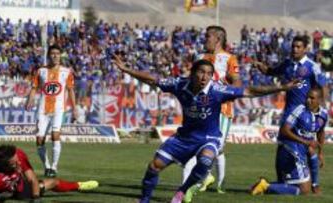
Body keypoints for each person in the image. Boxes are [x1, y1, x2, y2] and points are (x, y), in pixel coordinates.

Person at [113, 54, 299, 203]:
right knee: (154, 166)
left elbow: (250, 91)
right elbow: (154, 80)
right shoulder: (180, 84)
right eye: (201, 72)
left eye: (208, 74)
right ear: (193, 73)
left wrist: (281, 87)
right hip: (184, 137)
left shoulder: (217, 90)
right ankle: (144, 199)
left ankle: (182, 191)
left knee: (206, 160)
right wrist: (125, 69)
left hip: (209, 137)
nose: (204, 77)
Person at [253, 35, 327, 193]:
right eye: (293, 46)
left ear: (305, 48)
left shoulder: (312, 66)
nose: (295, 49)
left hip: (303, 115)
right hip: (288, 114)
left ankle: (314, 185)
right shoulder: (287, 64)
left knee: (308, 149)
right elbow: (271, 71)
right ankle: (282, 181)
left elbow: (322, 88)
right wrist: (262, 67)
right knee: (283, 147)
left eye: (298, 47)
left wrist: (322, 108)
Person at [183, 25, 241, 200]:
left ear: (218, 39)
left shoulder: (230, 59)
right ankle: (211, 182)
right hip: (200, 110)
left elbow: (237, 84)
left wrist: (227, 88)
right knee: (205, 148)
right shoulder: (200, 57)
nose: (204, 39)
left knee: (216, 148)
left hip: (222, 110)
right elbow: (190, 80)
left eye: (208, 36)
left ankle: (205, 181)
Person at [251, 88, 327, 195]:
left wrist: (320, 153)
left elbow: (321, 131)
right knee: (304, 190)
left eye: (312, 98)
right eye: (307, 97)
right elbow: (284, 130)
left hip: (299, 151)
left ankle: (263, 185)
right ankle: (266, 186)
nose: (308, 100)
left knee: (289, 184)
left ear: (320, 100)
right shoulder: (299, 110)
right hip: (290, 150)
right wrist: (306, 142)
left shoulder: (323, 115)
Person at [0, 144, 98, 203]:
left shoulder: (18, 154)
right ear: (4, 165)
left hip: (19, 186)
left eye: (17, 160)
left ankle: (79, 185)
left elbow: (32, 178)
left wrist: (36, 198)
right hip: (4, 191)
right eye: (13, 164)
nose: (18, 164)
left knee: (53, 182)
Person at [26, 44, 76, 177]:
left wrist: (75, 109)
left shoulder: (66, 71)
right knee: (39, 139)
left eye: (57, 53)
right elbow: (34, 87)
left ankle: (54, 167)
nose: (55, 56)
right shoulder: (41, 71)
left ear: (60, 56)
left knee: (55, 135)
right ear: (49, 55)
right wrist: (30, 100)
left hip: (59, 109)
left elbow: (71, 90)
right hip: (42, 109)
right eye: (53, 53)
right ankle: (47, 166)